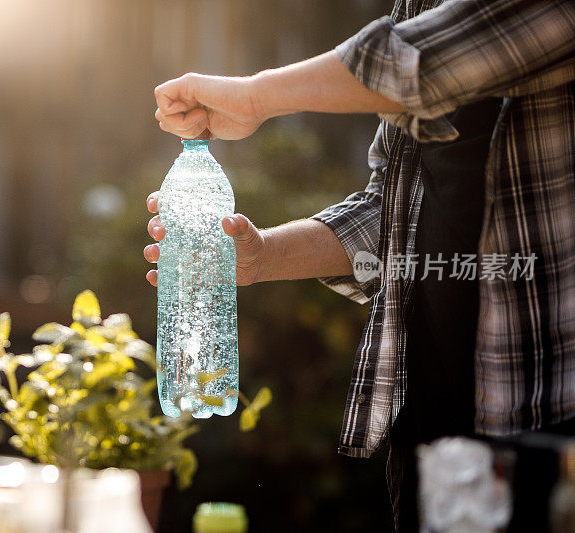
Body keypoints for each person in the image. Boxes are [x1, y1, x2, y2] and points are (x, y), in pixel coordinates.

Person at [144, 1, 575, 531]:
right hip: (436, 417)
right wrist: (259, 257)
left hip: (547, 418)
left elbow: (418, 63)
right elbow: (391, 208)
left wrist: (253, 97)